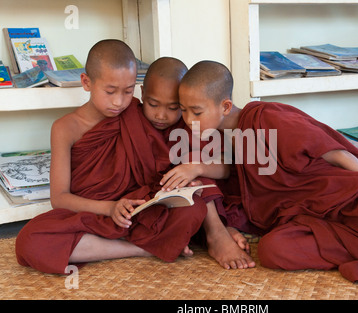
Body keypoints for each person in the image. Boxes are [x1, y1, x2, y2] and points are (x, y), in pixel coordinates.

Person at [176, 60, 358, 284]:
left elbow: (338, 155)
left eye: (195, 112)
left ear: (224, 106)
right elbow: (239, 176)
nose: (188, 120)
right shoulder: (215, 135)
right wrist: (198, 168)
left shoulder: (268, 119)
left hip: (345, 201)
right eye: (184, 110)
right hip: (303, 219)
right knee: (272, 251)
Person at [15, 40, 216, 274]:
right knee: (31, 241)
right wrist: (110, 208)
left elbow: (161, 168)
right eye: (110, 91)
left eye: (128, 91)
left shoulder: (140, 114)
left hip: (139, 213)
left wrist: (181, 186)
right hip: (91, 214)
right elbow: (59, 198)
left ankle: (138, 242)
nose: (119, 101)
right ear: (86, 82)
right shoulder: (65, 128)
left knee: (193, 208)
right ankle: (142, 249)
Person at [139, 56, 255, 269]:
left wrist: (196, 167)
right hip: (154, 199)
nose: (161, 115)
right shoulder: (133, 122)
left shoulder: (195, 126)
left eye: (174, 107)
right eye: (153, 104)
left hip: (201, 195)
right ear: (142, 95)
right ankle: (214, 229)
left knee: (194, 168)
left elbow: (228, 168)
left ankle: (216, 233)